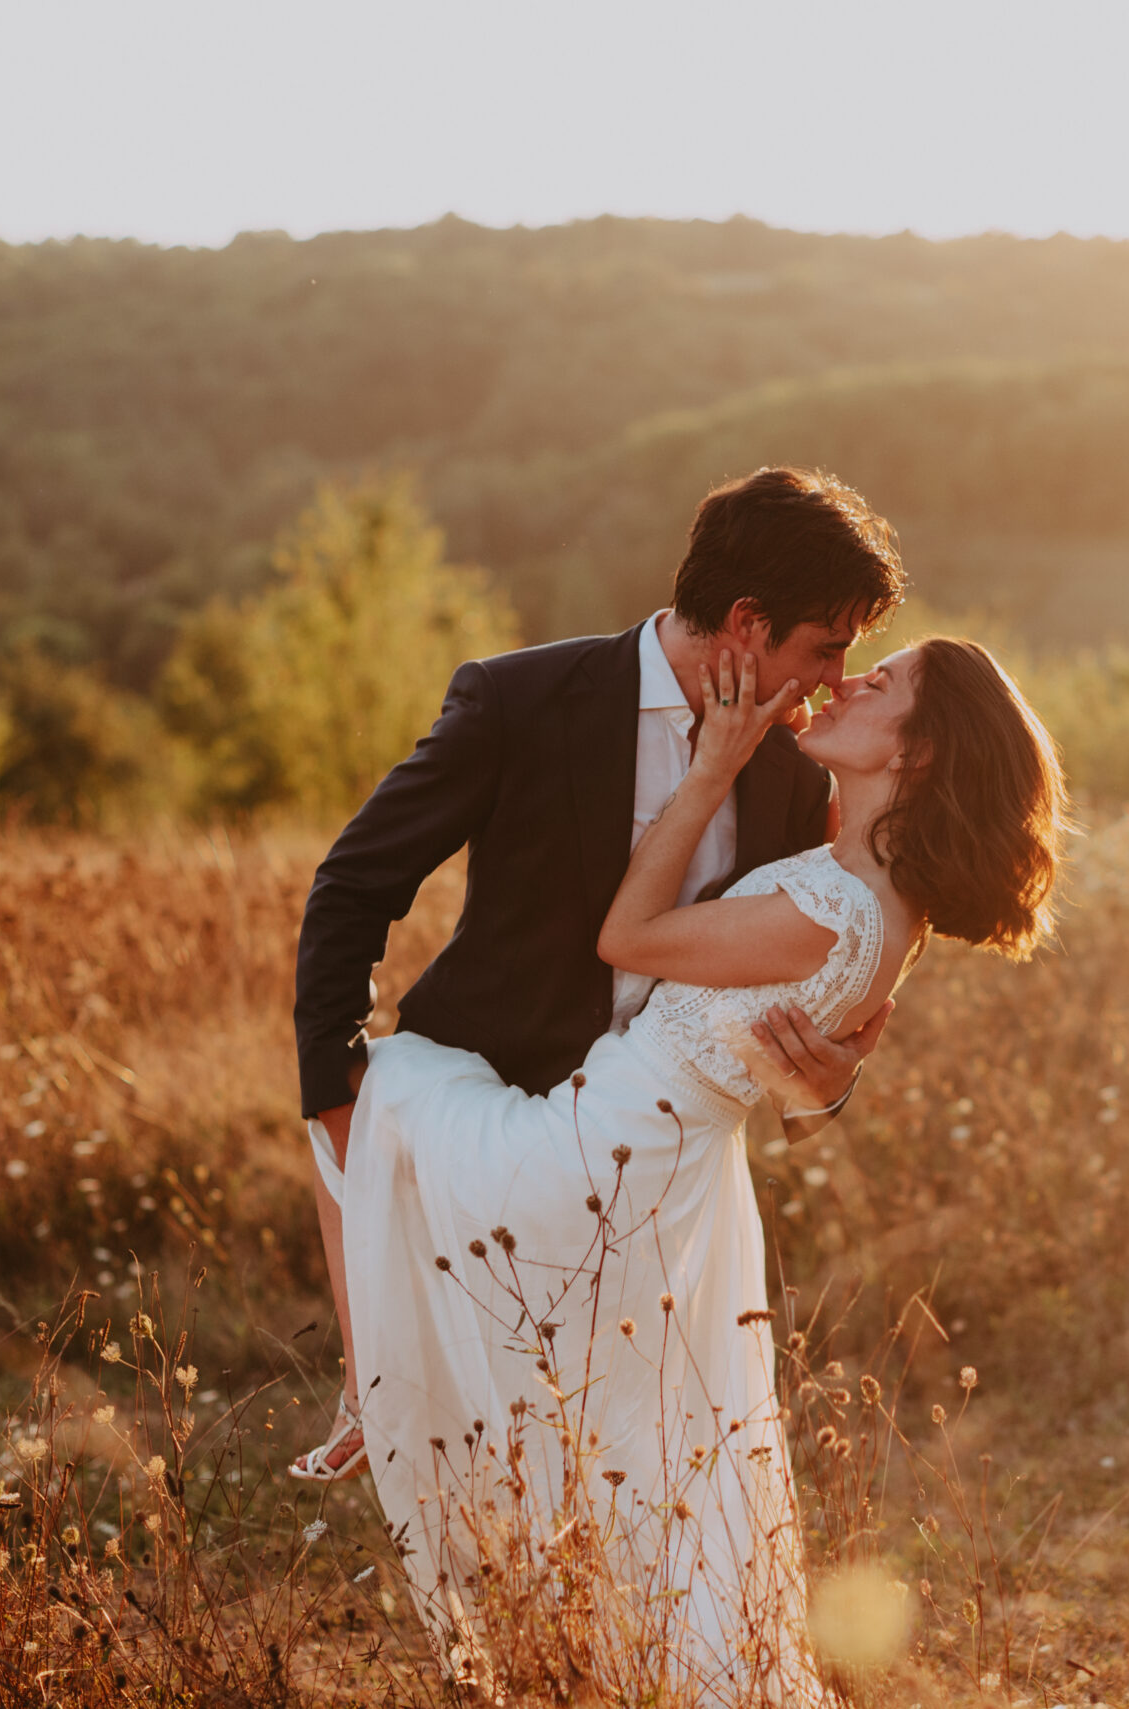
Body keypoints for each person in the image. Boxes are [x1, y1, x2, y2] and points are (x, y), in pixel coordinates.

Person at [337, 633, 1065, 1702]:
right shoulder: (863, 887)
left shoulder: (843, 909)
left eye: (886, 680)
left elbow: (626, 936)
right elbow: (789, 1068)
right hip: (659, 1170)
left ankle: (361, 1386)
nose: (853, 677)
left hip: (597, 1161)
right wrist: (824, 1086)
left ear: (918, 751)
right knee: (633, 1461)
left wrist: (714, 764)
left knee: (383, 1088)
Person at [290, 468, 909, 1486]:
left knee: (632, 1462)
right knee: (480, 1454)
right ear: (747, 623)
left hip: (655, 1167)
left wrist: (825, 1080)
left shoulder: (800, 771)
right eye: (825, 647)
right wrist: (333, 1086)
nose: (837, 679)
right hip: (485, 1114)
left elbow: (775, 986)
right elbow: (356, 880)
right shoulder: (519, 699)